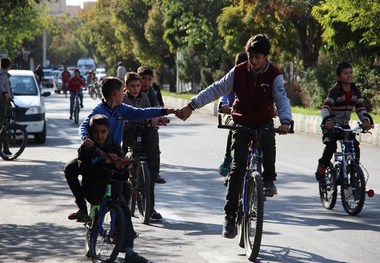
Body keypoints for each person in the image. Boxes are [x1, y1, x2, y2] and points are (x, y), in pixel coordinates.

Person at [176, 34, 292, 239]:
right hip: (241, 120)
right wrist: (191, 105)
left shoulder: (275, 75)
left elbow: (281, 97)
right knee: (237, 169)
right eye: (250, 56)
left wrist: (285, 121)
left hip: (263, 119)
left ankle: (269, 180)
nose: (253, 61)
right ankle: (229, 216)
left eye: (257, 57)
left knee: (268, 140)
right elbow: (216, 89)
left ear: (266, 57)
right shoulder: (238, 72)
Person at [64, 76, 176, 223]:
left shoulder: (122, 109)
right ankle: (83, 209)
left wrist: (168, 111)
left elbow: (143, 112)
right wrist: (86, 138)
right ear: (115, 94)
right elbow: (84, 125)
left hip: (115, 154)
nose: (124, 93)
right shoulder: (99, 111)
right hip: (96, 154)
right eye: (121, 91)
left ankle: (118, 227)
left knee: (124, 191)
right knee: (70, 169)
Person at [78, 114, 148, 263]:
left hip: (111, 183)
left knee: (123, 203)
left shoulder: (114, 147)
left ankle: (128, 247)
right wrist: (100, 162)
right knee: (98, 208)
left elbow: (122, 173)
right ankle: (92, 232)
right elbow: (83, 168)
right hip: (94, 186)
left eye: (103, 132)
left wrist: (119, 163)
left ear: (108, 131)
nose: (99, 135)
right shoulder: (87, 148)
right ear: (91, 132)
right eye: (95, 132)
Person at [315, 61, 372, 182]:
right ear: (339, 77)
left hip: (344, 126)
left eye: (351, 72)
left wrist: (365, 120)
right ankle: (322, 166)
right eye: (345, 73)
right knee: (331, 145)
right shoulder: (335, 91)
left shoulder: (355, 91)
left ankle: (354, 174)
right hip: (331, 125)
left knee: (354, 146)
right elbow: (325, 107)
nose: (349, 75)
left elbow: (360, 108)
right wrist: (327, 120)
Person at [122, 72, 163, 220]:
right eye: (132, 86)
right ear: (126, 87)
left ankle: (150, 208)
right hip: (128, 133)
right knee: (122, 165)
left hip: (143, 130)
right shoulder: (123, 98)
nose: (136, 89)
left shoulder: (146, 96)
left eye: (138, 86)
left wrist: (156, 118)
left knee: (150, 168)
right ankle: (122, 206)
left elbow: (152, 110)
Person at [218, 52, 248, 178]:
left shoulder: (258, 77)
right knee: (235, 124)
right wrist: (224, 105)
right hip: (231, 113)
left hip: (249, 116)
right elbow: (223, 95)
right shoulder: (233, 77)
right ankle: (228, 158)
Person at [137, 66, 166, 184]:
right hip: (132, 124)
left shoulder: (153, 91)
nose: (146, 82)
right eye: (143, 79)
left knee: (153, 141)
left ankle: (155, 174)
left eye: (149, 79)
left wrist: (158, 116)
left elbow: (158, 106)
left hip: (148, 123)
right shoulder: (132, 88)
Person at [0, 58, 13, 155]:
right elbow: (0, 86)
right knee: (2, 124)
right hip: (2, 102)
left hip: (6, 101)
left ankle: (6, 148)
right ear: (8, 66)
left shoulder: (5, 74)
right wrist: (5, 93)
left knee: (5, 126)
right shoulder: (2, 74)